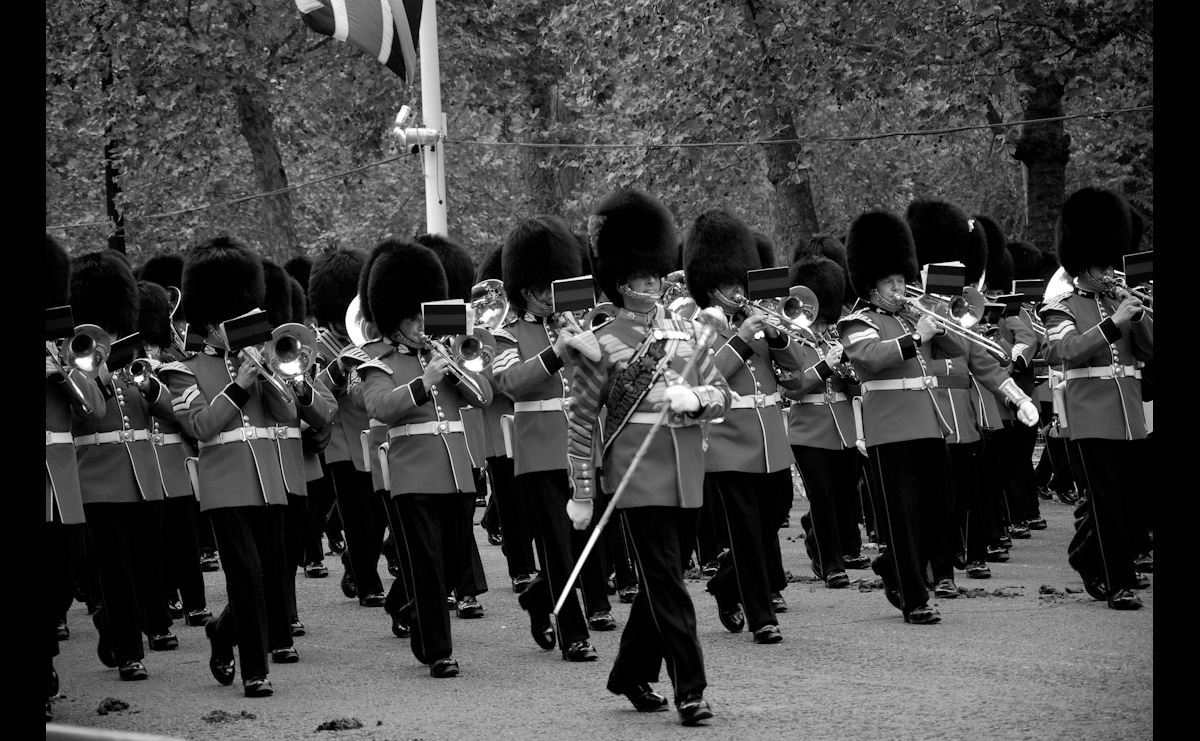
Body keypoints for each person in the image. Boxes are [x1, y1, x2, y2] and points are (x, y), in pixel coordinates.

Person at [565, 188, 730, 726]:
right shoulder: (600, 342)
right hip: (636, 476)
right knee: (668, 584)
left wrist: (696, 399)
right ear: (619, 281)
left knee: (667, 580)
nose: (651, 285)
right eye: (641, 278)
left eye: (657, 276)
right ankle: (691, 690)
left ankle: (630, 674)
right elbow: (583, 420)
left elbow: (720, 396)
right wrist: (583, 493)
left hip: (685, 469)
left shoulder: (685, 334)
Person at [163, 235, 300, 698]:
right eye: (227, 319)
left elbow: (287, 415)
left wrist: (270, 376)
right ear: (210, 323)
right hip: (225, 486)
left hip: (269, 482)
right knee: (245, 578)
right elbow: (201, 425)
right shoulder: (184, 370)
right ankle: (255, 672)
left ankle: (222, 635)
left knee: (268, 580)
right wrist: (240, 385)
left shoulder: (258, 362)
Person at [356, 239, 493, 678]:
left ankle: (416, 614)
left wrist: (453, 366)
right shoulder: (376, 362)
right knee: (429, 566)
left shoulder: (445, 355)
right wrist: (424, 382)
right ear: (396, 320)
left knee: (454, 562)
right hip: (412, 475)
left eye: (423, 316)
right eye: (413, 318)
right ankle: (439, 652)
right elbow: (379, 407)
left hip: (457, 474)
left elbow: (484, 396)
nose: (420, 325)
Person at [683, 208, 805, 644]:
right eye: (732, 286)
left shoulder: (759, 323)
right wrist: (743, 338)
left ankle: (723, 585)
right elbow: (705, 375)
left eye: (742, 283)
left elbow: (796, 376)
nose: (740, 292)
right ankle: (762, 617)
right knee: (748, 533)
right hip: (729, 443)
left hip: (771, 438)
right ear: (711, 287)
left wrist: (778, 338)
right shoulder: (698, 328)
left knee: (772, 518)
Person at [838, 210, 967, 625]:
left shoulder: (910, 316)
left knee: (938, 509)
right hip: (889, 430)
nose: (900, 287)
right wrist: (918, 337)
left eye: (901, 279)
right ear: (872, 284)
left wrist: (940, 326)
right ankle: (914, 599)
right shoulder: (857, 321)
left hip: (927, 424)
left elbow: (958, 353)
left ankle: (895, 566)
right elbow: (872, 360)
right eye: (892, 281)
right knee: (903, 517)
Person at [494, 215, 603, 660]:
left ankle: (539, 598)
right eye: (544, 287)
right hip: (537, 451)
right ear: (526, 291)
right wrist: (555, 353)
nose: (552, 294)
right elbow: (510, 384)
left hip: (580, 443)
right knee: (558, 547)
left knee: (582, 541)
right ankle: (573, 634)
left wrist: (589, 344)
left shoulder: (576, 324)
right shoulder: (505, 334)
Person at [68, 250, 179, 681]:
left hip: (143, 475)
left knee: (148, 561)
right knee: (114, 568)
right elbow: (86, 416)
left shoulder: (137, 359)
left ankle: (112, 627)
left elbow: (168, 411)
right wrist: (91, 372)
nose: (108, 335)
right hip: (97, 473)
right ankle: (131, 651)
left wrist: (151, 387)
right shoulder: (75, 364)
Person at [1040, 187, 1152, 610]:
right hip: (1090, 414)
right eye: (1105, 265)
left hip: (1128, 413)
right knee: (1107, 502)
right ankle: (1116, 579)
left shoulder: (1118, 301)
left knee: (1129, 499)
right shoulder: (1061, 308)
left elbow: (1149, 349)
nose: (1112, 271)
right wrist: (1112, 324)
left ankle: (1089, 555)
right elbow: (1062, 351)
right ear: (1084, 267)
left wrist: (1136, 314)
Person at [45, 235, 107, 721]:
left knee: (65, 573)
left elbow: (93, 411)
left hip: (61, 487)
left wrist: (64, 372)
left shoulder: (62, 358)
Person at [135, 280, 213, 626]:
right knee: (156, 541)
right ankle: (163, 597)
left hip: (175, 458)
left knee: (186, 536)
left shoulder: (175, 362)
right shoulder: (121, 365)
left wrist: (153, 386)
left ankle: (195, 602)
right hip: (142, 461)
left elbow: (180, 411)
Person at [781, 255, 861, 589]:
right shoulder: (790, 344)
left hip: (842, 427)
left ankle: (819, 540)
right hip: (808, 430)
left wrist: (850, 371)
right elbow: (795, 387)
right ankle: (831, 564)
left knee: (844, 497)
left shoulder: (834, 340)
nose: (818, 322)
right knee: (824, 498)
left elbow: (855, 382)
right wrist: (826, 366)